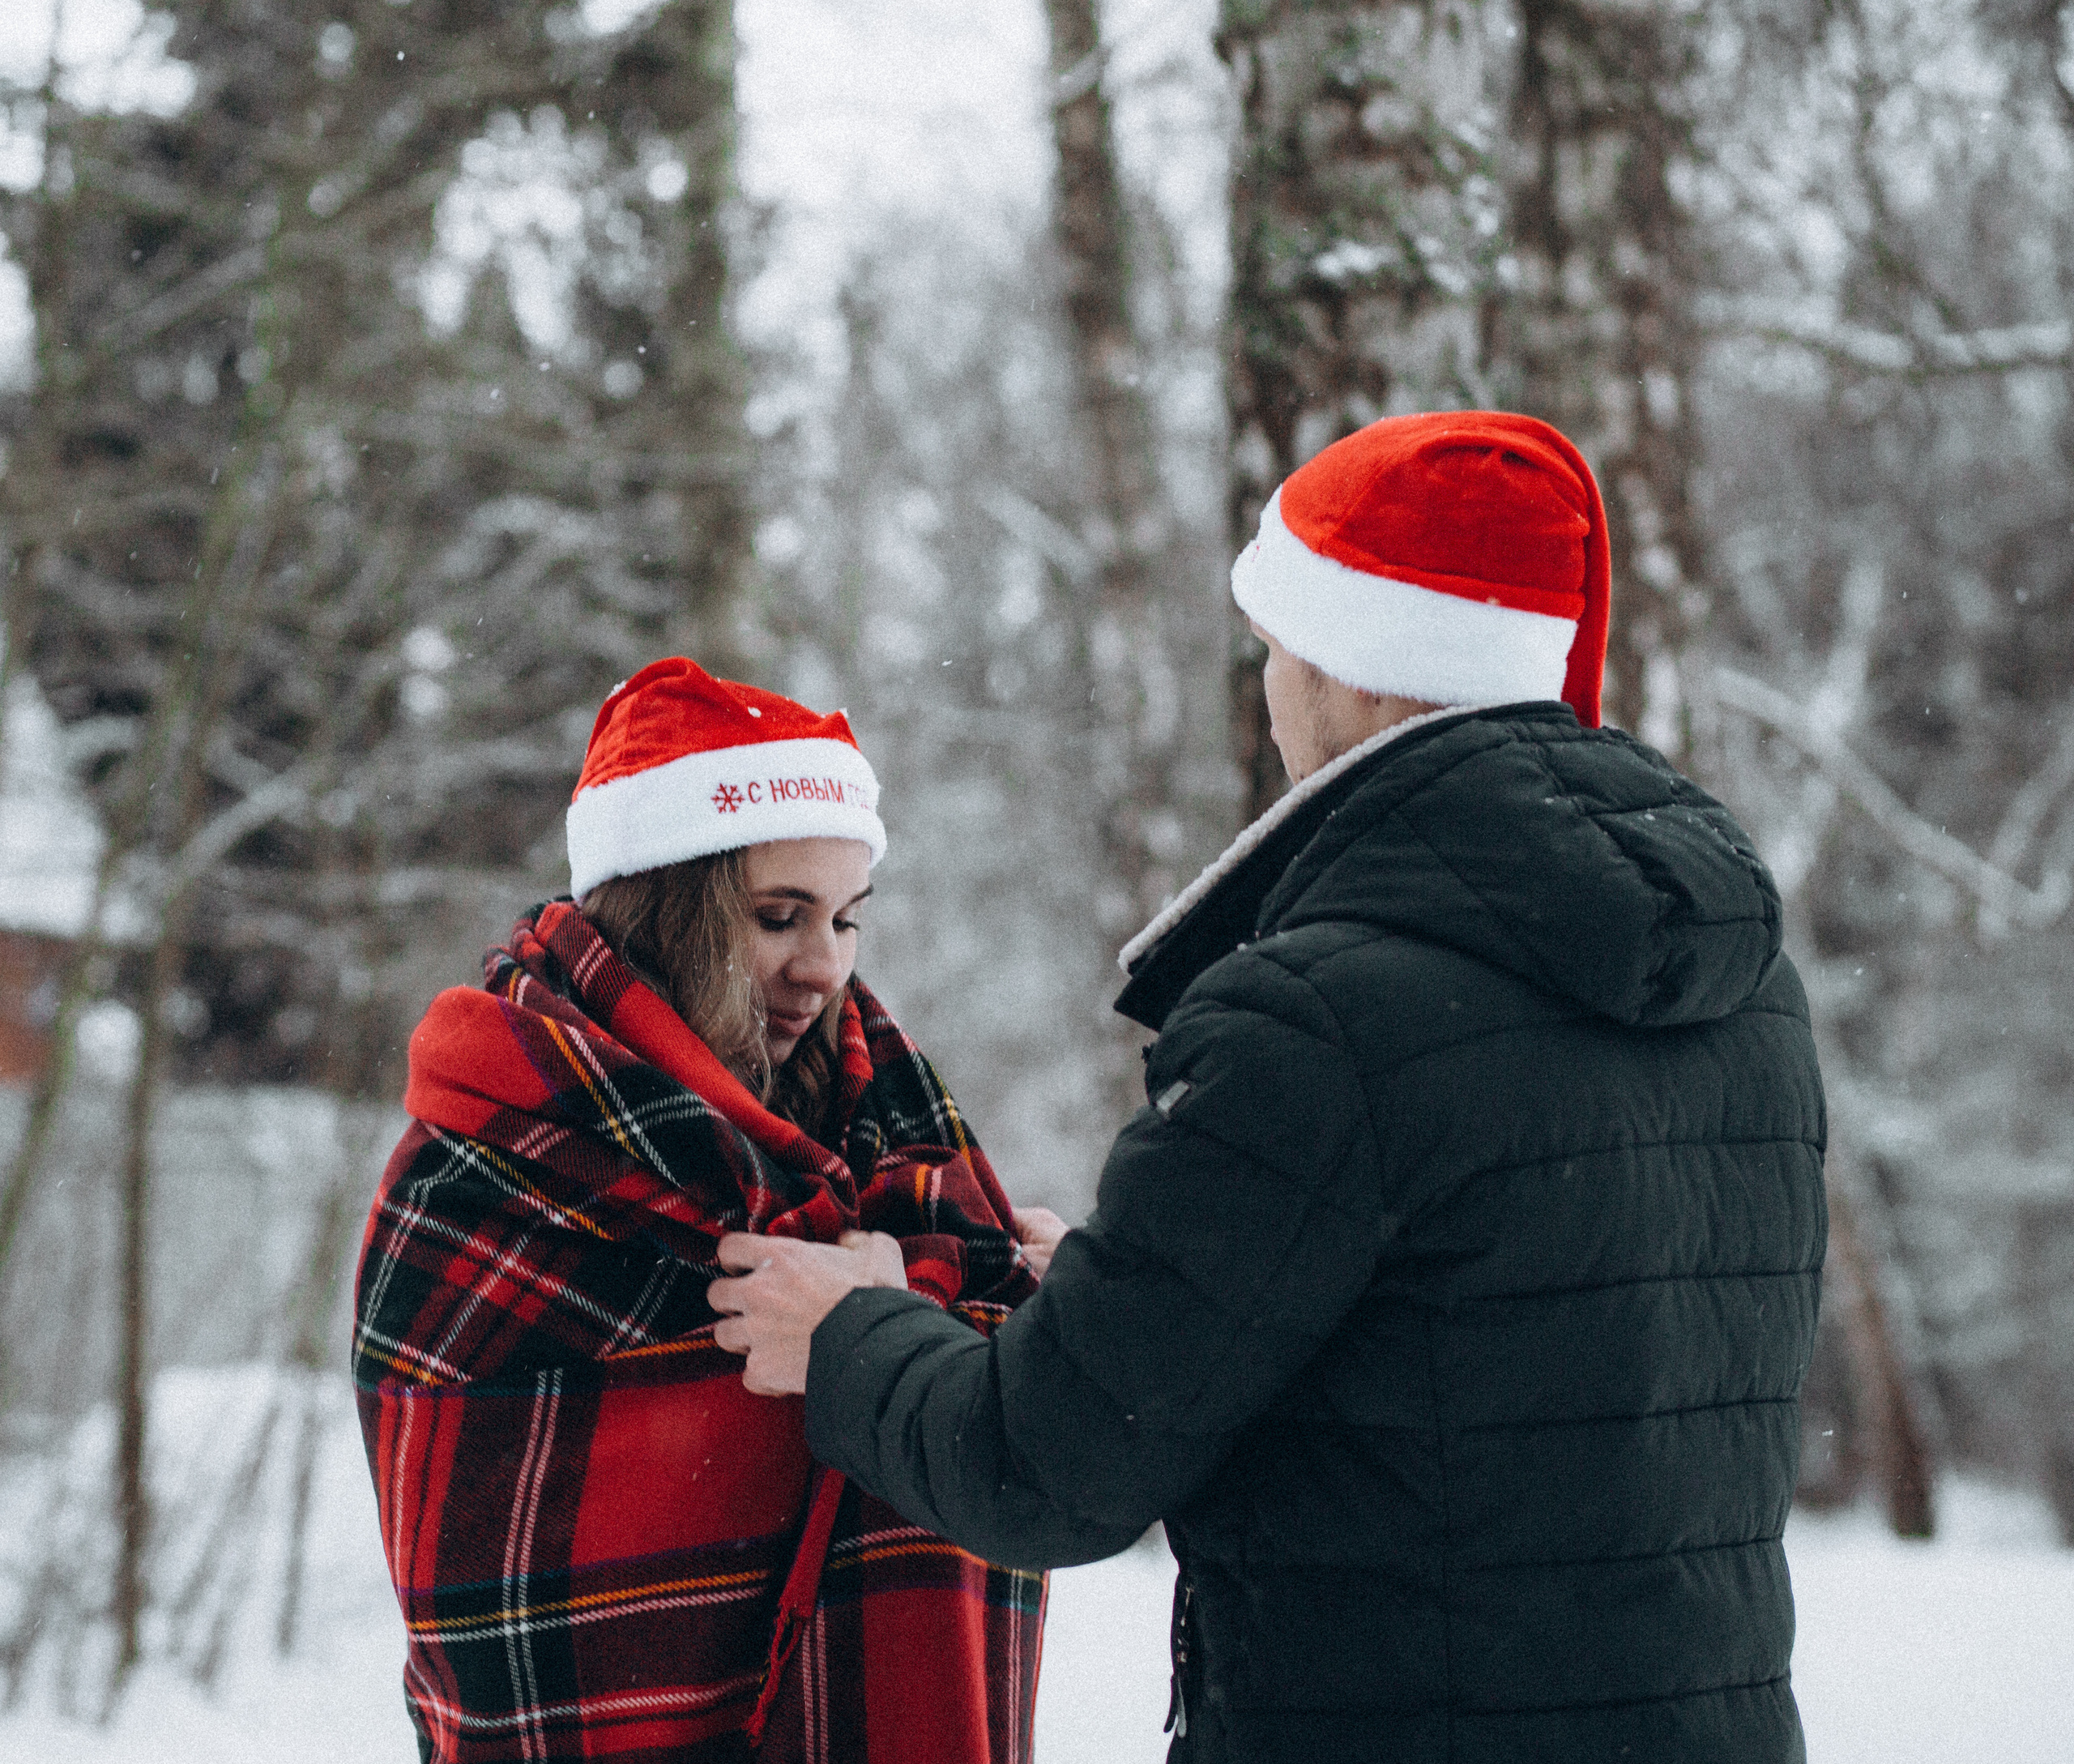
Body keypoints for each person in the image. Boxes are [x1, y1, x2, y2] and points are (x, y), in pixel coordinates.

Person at [708, 412, 1829, 1763]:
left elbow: (1048, 1469)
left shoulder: (1311, 1015)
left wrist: (851, 1331)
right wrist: (1142, 1299)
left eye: (1277, 647)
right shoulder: (1742, 990)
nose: (1271, 686)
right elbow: (1516, 1381)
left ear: (1348, 672)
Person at [352, 657, 1064, 1763]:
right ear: (666, 908)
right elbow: (496, 1604)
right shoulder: (484, 1170)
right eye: (780, 916)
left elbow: (1024, 1423)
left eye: (847, 917)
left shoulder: (893, 1139)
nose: (824, 965)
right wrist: (909, 1322)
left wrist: (943, 1308)